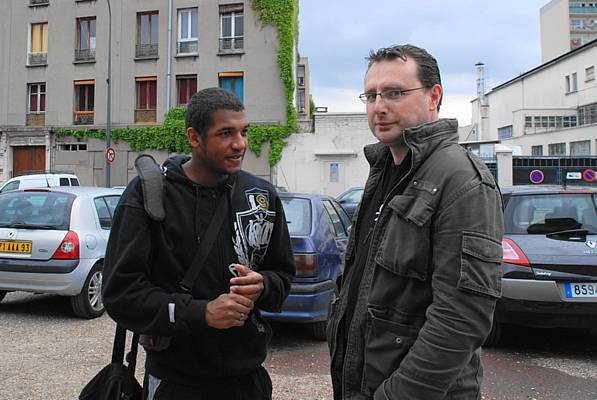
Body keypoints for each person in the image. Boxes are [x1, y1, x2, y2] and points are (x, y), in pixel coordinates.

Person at [327, 44, 504, 400]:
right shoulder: (385, 172)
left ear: (433, 96)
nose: (379, 107)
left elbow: (462, 318)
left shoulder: (461, 178)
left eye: (394, 93)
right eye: (371, 95)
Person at [102, 87, 295, 400]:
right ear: (194, 137)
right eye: (226, 133)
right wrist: (200, 313)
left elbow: (284, 276)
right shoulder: (149, 195)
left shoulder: (261, 197)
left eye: (245, 131)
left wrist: (263, 286)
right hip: (176, 382)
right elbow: (121, 295)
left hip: (249, 382)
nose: (240, 144)